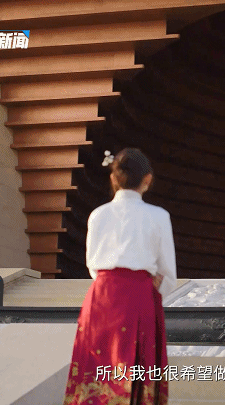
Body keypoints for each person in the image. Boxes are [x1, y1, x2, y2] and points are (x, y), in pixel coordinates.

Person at [64, 148, 176, 405]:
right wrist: (154, 289)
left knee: (96, 368)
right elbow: (167, 271)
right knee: (136, 368)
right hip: (139, 296)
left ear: (113, 178)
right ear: (147, 179)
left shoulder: (98, 215)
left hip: (101, 297)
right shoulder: (159, 216)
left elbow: (93, 265)